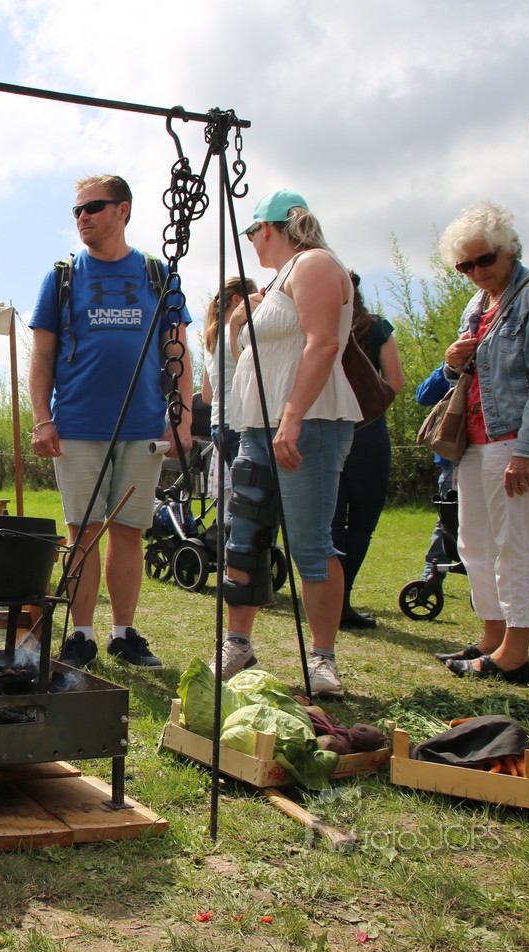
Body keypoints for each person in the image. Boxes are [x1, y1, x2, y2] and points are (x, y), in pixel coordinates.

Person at [28, 174, 193, 670]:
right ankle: (81, 636)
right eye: (77, 210)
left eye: (94, 207)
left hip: (144, 427)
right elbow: (41, 356)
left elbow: (179, 352)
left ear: (123, 210)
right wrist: (41, 420)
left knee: (130, 532)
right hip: (77, 427)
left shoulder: (158, 273)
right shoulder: (61, 277)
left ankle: (124, 634)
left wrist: (181, 420)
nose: (83, 217)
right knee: (83, 531)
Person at [213, 189, 360, 697]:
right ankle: (238, 644)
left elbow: (324, 343)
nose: (251, 242)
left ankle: (322, 658)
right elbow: (260, 356)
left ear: (269, 229)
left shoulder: (314, 264)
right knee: (244, 538)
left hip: (307, 423)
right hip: (258, 427)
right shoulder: (277, 281)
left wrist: (291, 419)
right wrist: (239, 320)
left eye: (252, 232)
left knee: (310, 544)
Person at [430, 202, 529, 685]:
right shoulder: (477, 305)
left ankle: (515, 654)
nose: (477, 272)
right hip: (474, 441)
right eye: (465, 266)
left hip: (514, 439)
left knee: (515, 544)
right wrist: (450, 362)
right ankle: (492, 638)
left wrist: (528, 450)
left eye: (485, 260)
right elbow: (462, 379)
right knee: (474, 543)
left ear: (509, 249)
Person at [331, 273, 405, 628]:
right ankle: (342, 600)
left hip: (327, 426)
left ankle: (330, 601)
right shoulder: (376, 327)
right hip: (369, 430)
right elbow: (396, 383)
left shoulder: (315, 326)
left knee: (331, 523)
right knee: (362, 522)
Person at [202, 277, 257, 507]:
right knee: (249, 498)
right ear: (238, 300)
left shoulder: (211, 340)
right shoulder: (240, 333)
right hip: (240, 420)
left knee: (236, 495)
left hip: (218, 424)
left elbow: (206, 395)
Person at [413, 363, 460, 586]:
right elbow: (423, 397)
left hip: (490, 453)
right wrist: (448, 368)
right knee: (447, 518)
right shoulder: (452, 365)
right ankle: (432, 573)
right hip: (452, 461)